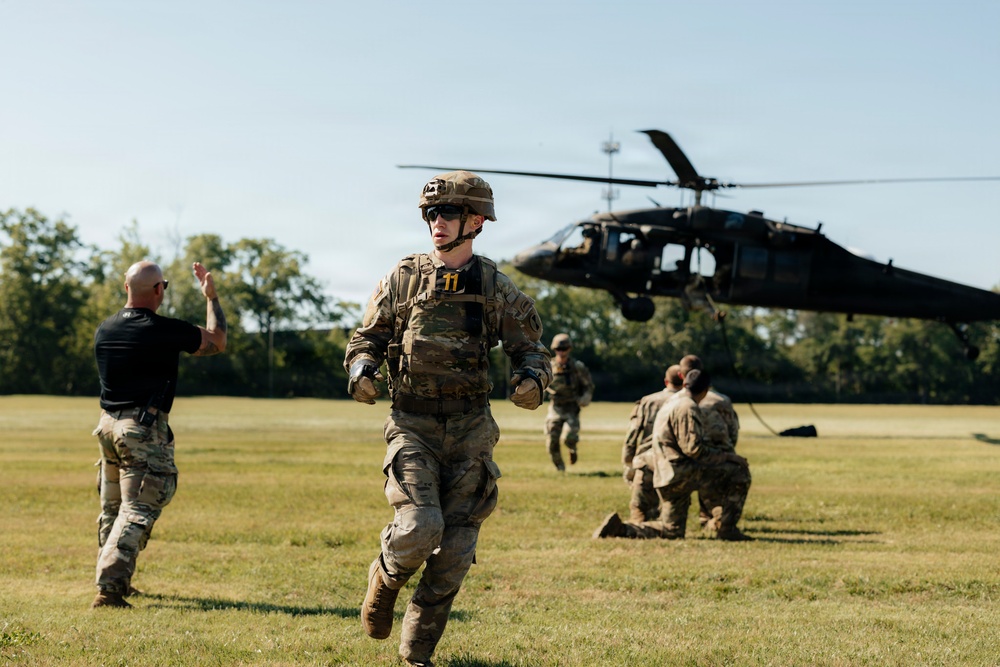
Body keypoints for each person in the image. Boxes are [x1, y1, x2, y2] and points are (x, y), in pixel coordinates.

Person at [344, 171, 551, 667]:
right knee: (419, 525)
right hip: (412, 424)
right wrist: (362, 370)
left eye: (449, 213)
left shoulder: (495, 287)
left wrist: (533, 380)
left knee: (455, 552)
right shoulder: (403, 278)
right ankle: (386, 577)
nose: (437, 221)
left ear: (476, 221)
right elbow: (364, 338)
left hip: (470, 429)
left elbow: (532, 349)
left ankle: (417, 654)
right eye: (431, 213)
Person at [91, 260, 227, 608]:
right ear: (158, 290)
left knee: (113, 508)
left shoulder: (104, 329)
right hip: (140, 429)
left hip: (107, 426)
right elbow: (217, 341)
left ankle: (118, 579)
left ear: (126, 289)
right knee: (139, 508)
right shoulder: (164, 330)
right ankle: (109, 587)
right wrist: (211, 298)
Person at [677, 355, 750, 537]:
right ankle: (723, 524)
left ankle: (708, 518)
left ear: (681, 376)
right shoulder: (720, 400)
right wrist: (727, 455)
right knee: (736, 471)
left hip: (675, 464)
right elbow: (732, 434)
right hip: (705, 460)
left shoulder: (673, 400)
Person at [621, 364, 683, 521]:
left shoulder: (648, 401)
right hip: (675, 463)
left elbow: (632, 434)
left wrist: (628, 462)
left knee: (640, 513)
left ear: (665, 381)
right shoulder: (687, 403)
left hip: (647, 462)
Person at [543, 333, 595, 471]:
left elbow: (588, 386)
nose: (561, 351)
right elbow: (540, 383)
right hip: (556, 407)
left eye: (564, 348)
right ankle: (560, 469)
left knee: (569, 438)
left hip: (572, 407)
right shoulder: (548, 366)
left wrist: (584, 399)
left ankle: (572, 448)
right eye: (558, 349)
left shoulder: (577, 367)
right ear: (554, 349)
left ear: (569, 349)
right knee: (552, 442)